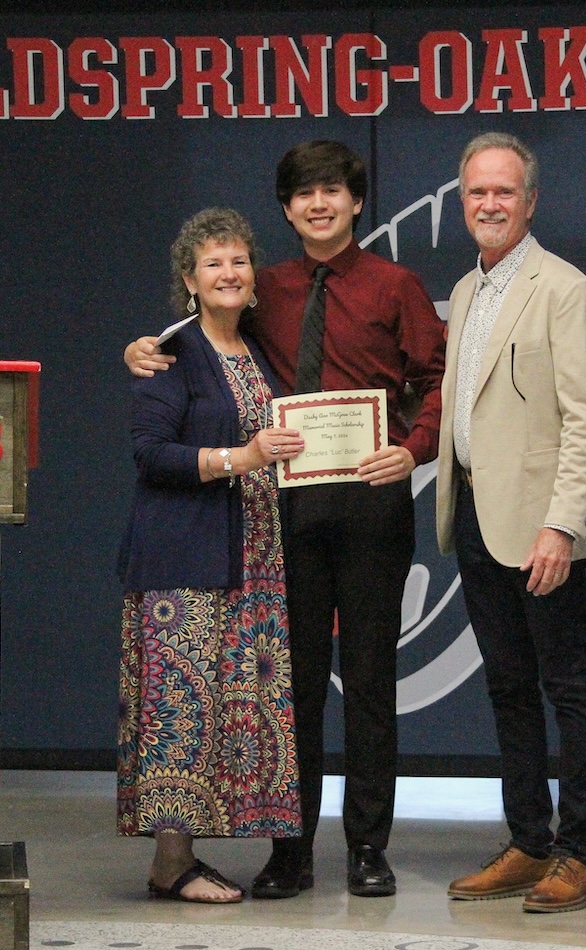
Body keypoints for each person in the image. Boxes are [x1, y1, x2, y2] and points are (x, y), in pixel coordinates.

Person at [126, 140, 446, 898]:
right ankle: (290, 852)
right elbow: (192, 335)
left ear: (357, 200)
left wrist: (414, 451)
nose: (319, 204)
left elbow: (434, 381)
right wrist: (141, 348)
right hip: (284, 512)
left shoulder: (396, 285)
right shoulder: (263, 286)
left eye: (332, 191)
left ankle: (368, 849)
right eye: (303, 195)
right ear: (286, 208)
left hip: (371, 501)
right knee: (288, 689)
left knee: (370, 683)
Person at [435, 132, 586, 913]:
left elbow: (584, 421)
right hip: (473, 512)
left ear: (530, 202)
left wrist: (561, 528)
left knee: (567, 686)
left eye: (504, 191)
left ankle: (578, 854)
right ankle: (527, 840)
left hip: (540, 529)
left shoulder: (565, 289)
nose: (490, 204)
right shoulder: (466, 291)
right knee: (508, 687)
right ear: (461, 202)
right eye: (477, 192)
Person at [117, 208, 305, 904]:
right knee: (181, 710)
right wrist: (243, 456)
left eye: (238, 261)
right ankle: (170, 863)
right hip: (182, 558)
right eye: (213, 263)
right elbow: (150, 453)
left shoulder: (255, 348)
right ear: (189, 281)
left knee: (223, 713)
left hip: (252, 558)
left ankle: (186, 856)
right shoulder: (171, 350)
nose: (229, 273)